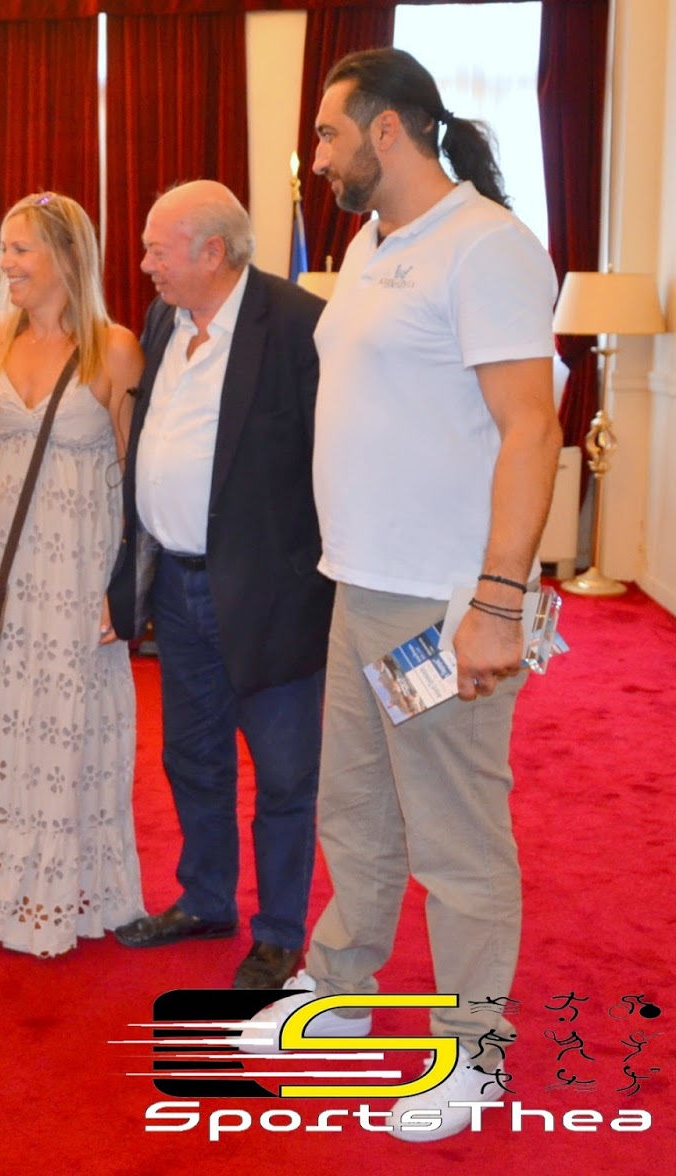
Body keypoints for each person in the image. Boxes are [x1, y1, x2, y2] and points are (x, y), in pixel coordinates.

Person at [235, 49, 562, 1144]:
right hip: (359, 586)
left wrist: (498, 601)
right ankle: (337, 991)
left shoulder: (487, 246)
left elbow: (531, 429)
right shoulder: (372, 244)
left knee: (455, 837)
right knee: (356, 811)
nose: (318, 156)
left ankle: (476, 1054)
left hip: (438, 604)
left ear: (387, 130)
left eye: (329, 135)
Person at [107, 182, 332, 990]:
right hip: (176, 585)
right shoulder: (164, 320)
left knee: (284, 776)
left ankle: (278, 934)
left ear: (212, 251)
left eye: (156, 249)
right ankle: (206, 900)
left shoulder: (299, 324)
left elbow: (332, 463)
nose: (145, 264)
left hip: (272, 599)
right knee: (192, 758)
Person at [0, 191, 145, 958]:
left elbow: (134, 475)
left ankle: (60, 887)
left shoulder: (115, 349)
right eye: (4, 248)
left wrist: (122, 587)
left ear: (65, 256)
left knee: (65, 724)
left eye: (21, 248)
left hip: (74, 570)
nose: (8, 263)